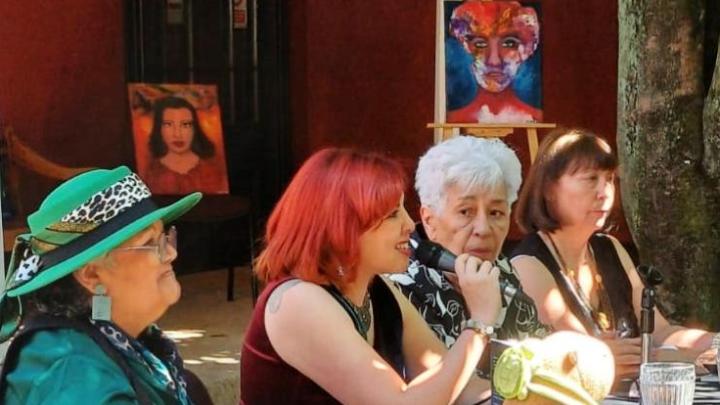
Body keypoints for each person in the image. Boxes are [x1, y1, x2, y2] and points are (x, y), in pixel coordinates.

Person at [240, 148, 502, 404]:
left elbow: (454, 387)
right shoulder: (298, 302)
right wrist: (479, 323)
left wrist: (526, 390)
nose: (410, 225)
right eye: (392, 215)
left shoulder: (378, 289)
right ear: (342, 225)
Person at [510, 128, 717, 377]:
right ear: (548, 189)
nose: (604, 192)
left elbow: (659, 332)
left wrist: (713, 343)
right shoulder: (529, 263)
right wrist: (666, 355)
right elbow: (585, 354)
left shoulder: (610, 248)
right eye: (590, 179)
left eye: (609, 179)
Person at [0, 166, 203, 404]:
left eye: (165, 237)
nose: (170, 253)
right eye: (150, 242)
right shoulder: (74, 375)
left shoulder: (124, 344)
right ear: (92, 274)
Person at [389, 136, 550, 350]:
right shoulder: (400, 288)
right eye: (465, 212)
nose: (483, 229)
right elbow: (443, 380)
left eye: (496, 212)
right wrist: (481, 319)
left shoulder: (501, 272)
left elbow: (537, 353)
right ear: (430, 221)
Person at [446, 0, 541, 123]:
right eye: (480, 44)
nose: (494, 62)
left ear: (528, 47)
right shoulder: (452, 119)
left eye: (509, 43)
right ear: (465, 46)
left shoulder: (535, 118)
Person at [145, 96, 227, 195]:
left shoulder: (211, 170)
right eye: (168, 124)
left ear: (194, 128)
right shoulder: (152, 174)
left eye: (185, 125)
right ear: (159, 129)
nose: (177, 134)